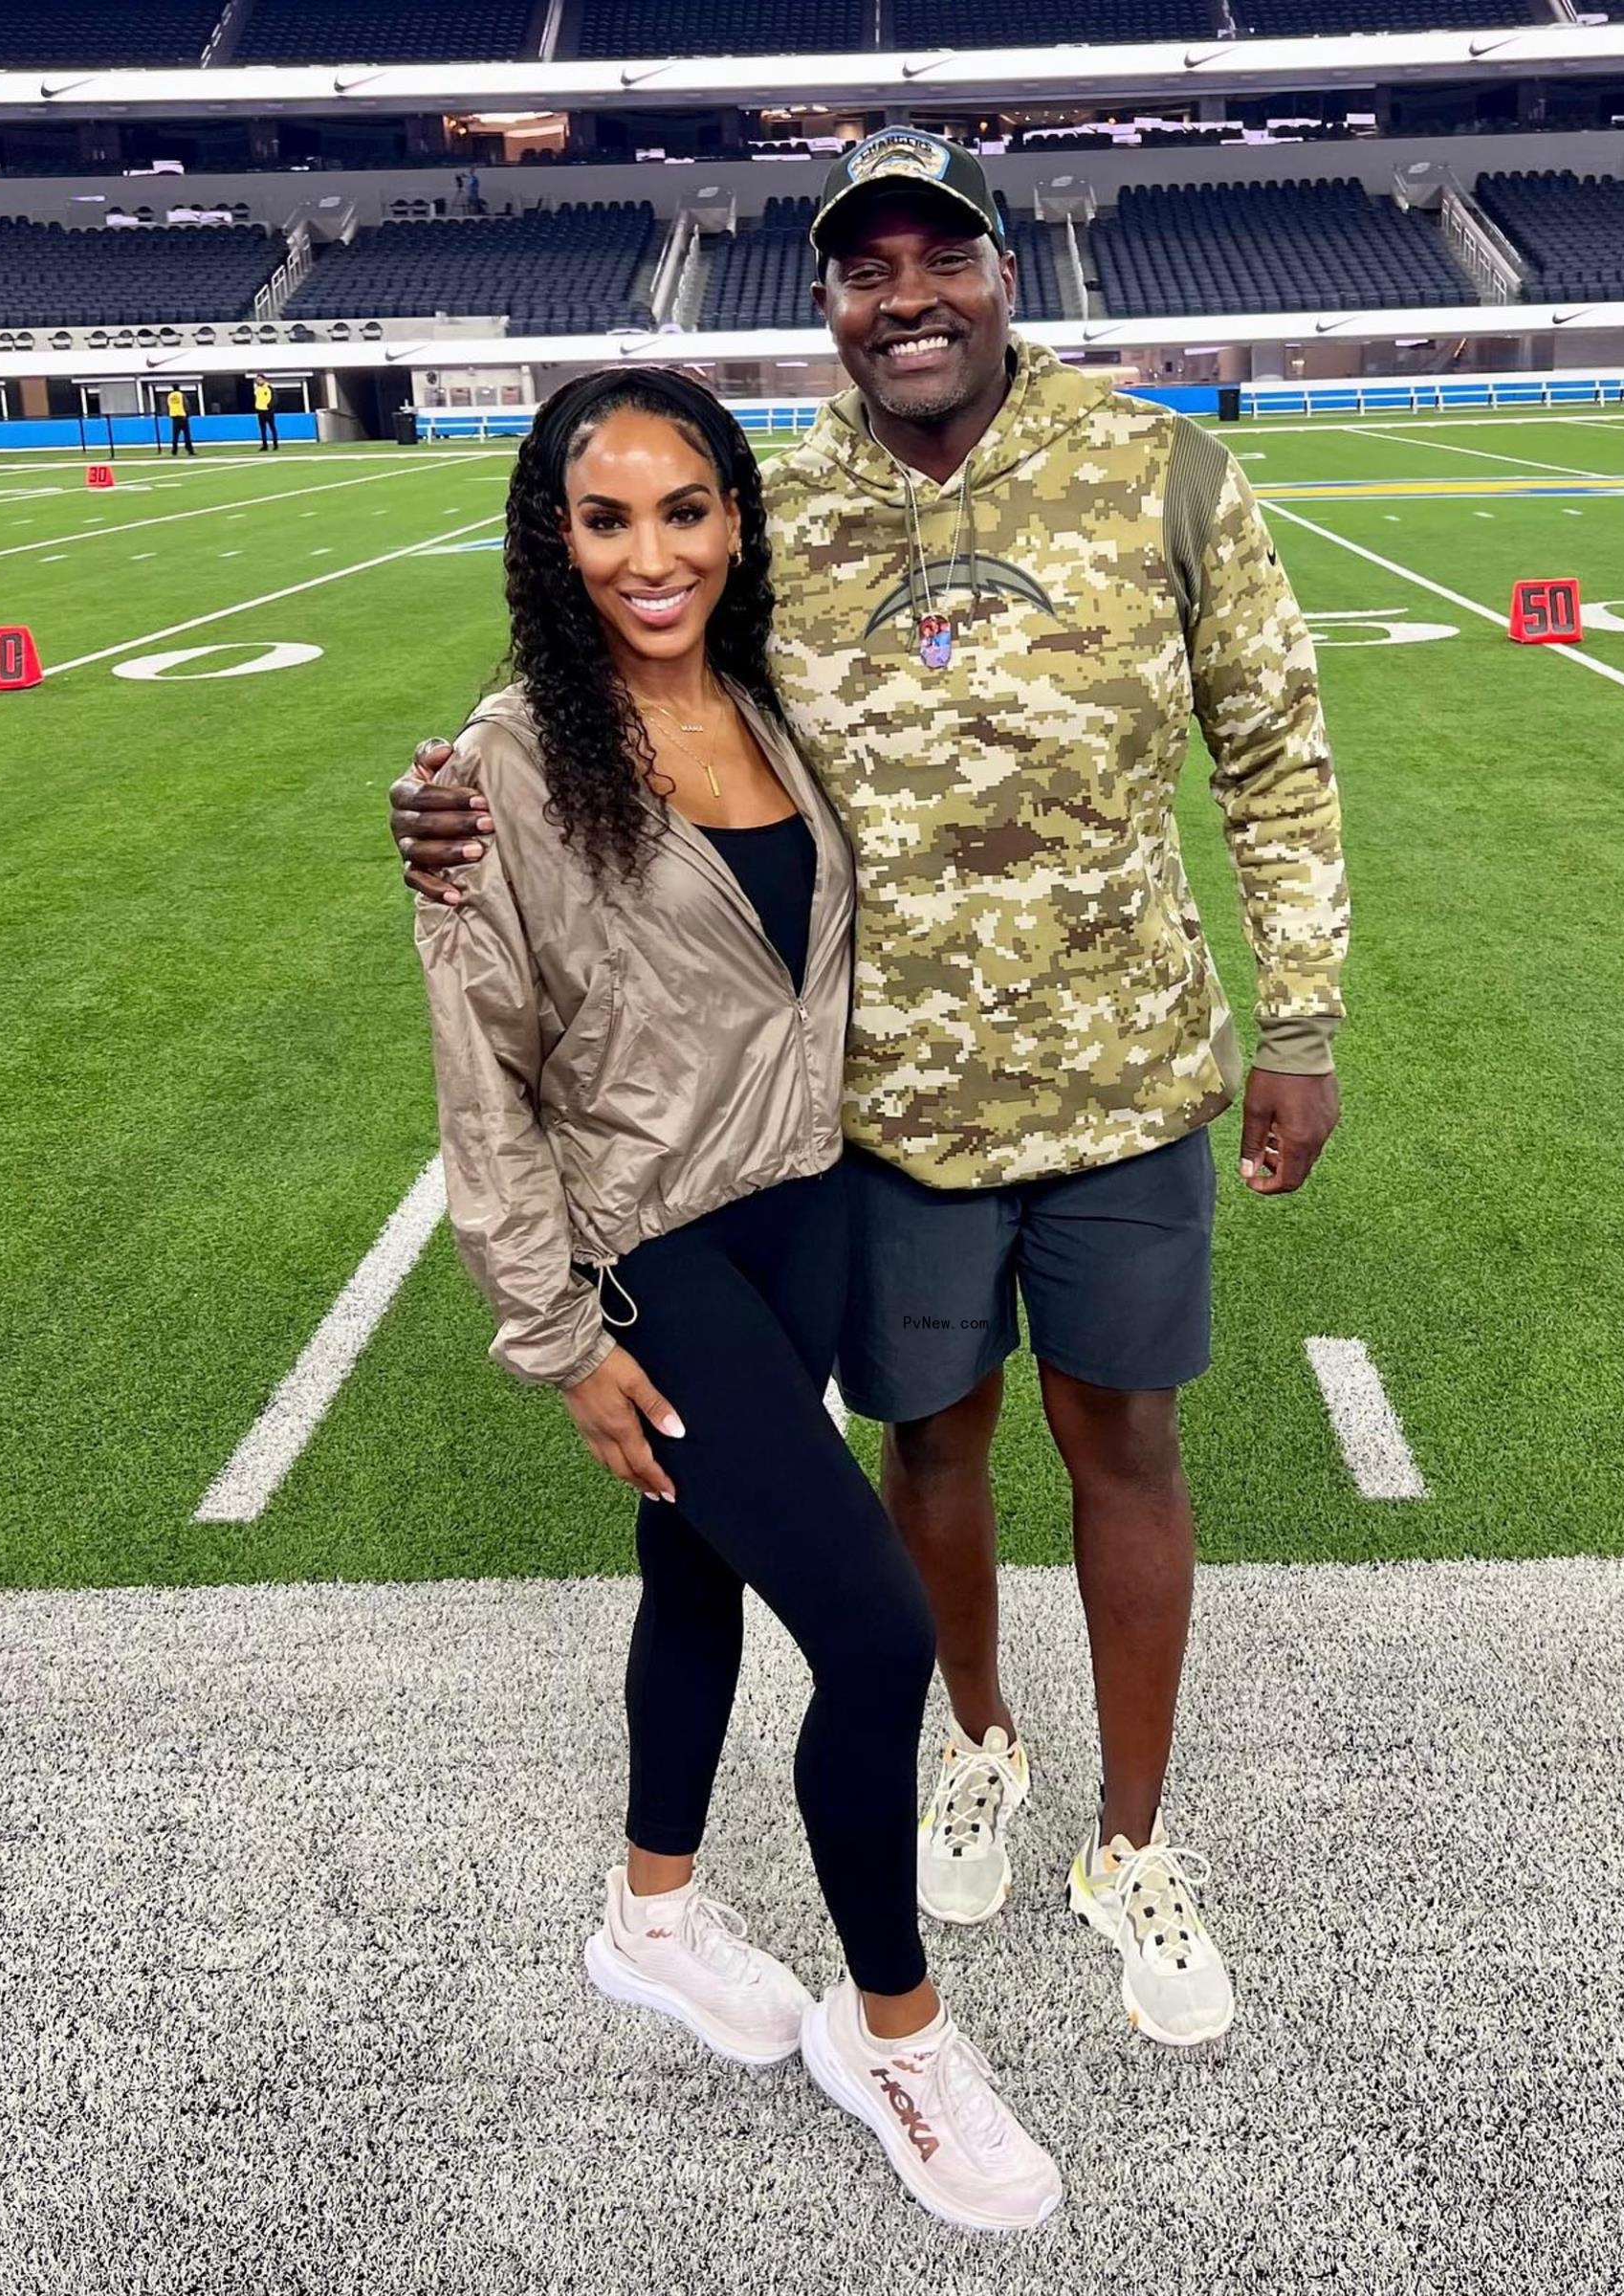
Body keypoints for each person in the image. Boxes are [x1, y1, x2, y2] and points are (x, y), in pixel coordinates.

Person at [392, 130, 1350, 2053]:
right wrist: (450, 795)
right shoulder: (782, 510)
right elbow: (630, 688)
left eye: (941, 254)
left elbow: (1275, 746)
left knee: (1129, 1449)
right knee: (928, 1455)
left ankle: (1134, 1844)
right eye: (861, 266)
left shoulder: (1159, 468)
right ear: (824, 301)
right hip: (872, 1120)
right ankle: (976, 1749)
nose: (904, 292)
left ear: (1005, 269)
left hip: (1125, 1078)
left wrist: (1302, 1017)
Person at [411, 364, 1060, 2234]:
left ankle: (654, 1913)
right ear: (550, 538)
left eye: (684, 507)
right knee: (875, 1643)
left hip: (808, 1215)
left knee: (693, 1575)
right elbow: (486, 1080)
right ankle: (900, 2040)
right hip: (657, 1250)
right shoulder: (506, 770)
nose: (650, 552)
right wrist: (562, 1335)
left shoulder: (772, 706)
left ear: (737, 521)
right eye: (603, 517)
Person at [165, 386, 195, 457]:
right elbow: (186, 404)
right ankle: (189, 450)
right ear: (179, 388)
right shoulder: (181, 395)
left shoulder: (170, 396)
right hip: (182, 416)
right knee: (187, 435)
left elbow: (168, 406)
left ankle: (174, 451)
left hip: (174, 417)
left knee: (175, 436)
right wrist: (188, 414)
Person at [252, 374, 279, 453]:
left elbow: (274, 398)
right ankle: (264, 445)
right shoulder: (257, 389)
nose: (258, 381)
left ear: (264, 380)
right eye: (257, 380)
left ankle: (275, 445)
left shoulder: (269, 388)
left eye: (260, 379)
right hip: (260, 411)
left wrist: (270, 406)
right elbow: (256, 399)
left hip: (268, 411)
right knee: (262, 429)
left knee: (272, 428)